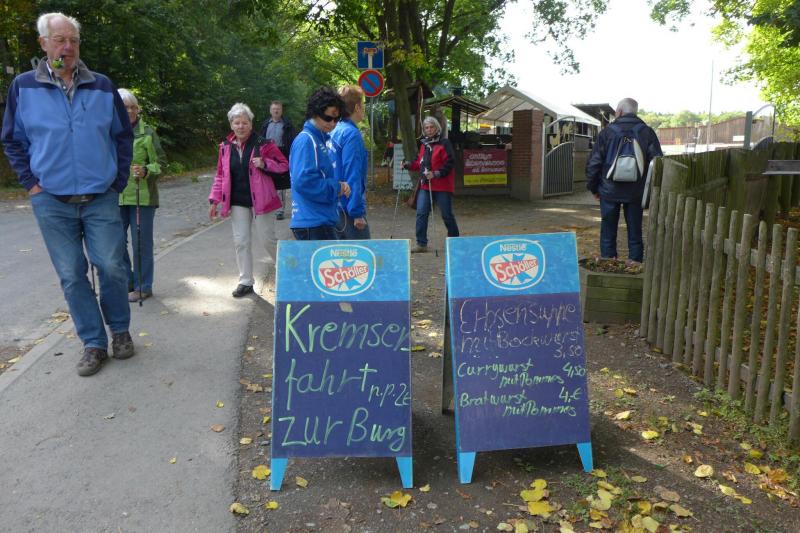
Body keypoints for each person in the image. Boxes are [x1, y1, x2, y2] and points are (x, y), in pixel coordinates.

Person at [1, 12, 134, 376]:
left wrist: (118, 180)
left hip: (100, 196)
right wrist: (32, 184)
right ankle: (93, 343)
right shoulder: (24, 86)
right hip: (51, 201)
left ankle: (120, 330)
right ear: (43, 43)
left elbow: (123, 137)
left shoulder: (102, 85)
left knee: (111, 267)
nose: (67, 47)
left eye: (73, 40)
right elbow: (13, 140)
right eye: (60, 40)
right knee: (72, 274)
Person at [209, 103, 287, 297]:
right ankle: (245, 281)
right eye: (237, 123)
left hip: (263, 200)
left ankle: (286, 272)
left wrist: (265, 163)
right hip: (238, 201)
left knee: (267, 239)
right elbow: (220, 175)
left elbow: (284, 165)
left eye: (244, 122)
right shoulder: (225, 147)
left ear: (251, 124)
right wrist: (214, 200)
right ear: (231, 125)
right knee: (241, 241)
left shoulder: (264, 144)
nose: (241, 126)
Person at [586, 98, 662, 264]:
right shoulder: (647, 132)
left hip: (609, 190)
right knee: (635, 231)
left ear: (619, 112)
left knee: (608, 230)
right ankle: (635, 264)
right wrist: (649, 191)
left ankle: (608, 262)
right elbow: (658, 162)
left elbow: (594, 162)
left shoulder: (607, 132)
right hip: (636, 192)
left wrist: (594, 188)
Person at [118, 88, 164, 303]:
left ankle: (143, 286)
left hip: (142, 196)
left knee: (141, 244)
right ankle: (128, 282)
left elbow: (161, 163)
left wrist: (146, 170)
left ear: (137, 109)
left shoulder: (148, 133)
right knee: (115, 242)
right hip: (115, 195)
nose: (129, 111)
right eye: (124, 107)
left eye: (132, 107)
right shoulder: (110, 132)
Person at [289, 87, 350, 241]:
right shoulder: (307, 140)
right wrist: (337, 187)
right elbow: (304, 182)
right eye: (328, 118)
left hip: (317, 220)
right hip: (314, 223)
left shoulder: (317, 140)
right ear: (315, 113)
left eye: (337, 119)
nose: (333, 123)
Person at [403, 116, 460, 253]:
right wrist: (407, 165)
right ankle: (421, 244)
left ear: (437, 128)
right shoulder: (424, 144)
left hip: (442, 185)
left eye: (431, 127)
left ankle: (455, 242)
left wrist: (436, 173)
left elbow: (450, 162)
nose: (429, 130)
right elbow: (419, 163)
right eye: (426, 128)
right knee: (421, 213)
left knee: (446, 214)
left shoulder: (444, 143)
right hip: (425, 185)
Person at [331, 84, 369, 239]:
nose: (364, 108)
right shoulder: (351, 134)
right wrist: (357, 213)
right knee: (362, 251)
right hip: (347, 208)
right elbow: (352, 173)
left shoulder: (333, 130)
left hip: (332, 204)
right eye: (363, 104)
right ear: (357, 107)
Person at [259, 100, 295, 221]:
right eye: (274, 109)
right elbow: (260, 140)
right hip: (267, 155)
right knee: (268, 181)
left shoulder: (287, 124)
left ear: (281, 110)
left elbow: (292, 141)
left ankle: (280, 210)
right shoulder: (265, 124)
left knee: (281, 184)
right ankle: (269, 206)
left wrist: (291, 156)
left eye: (278, 109)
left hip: (281, 154)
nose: (276, 111)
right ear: (270, 110)